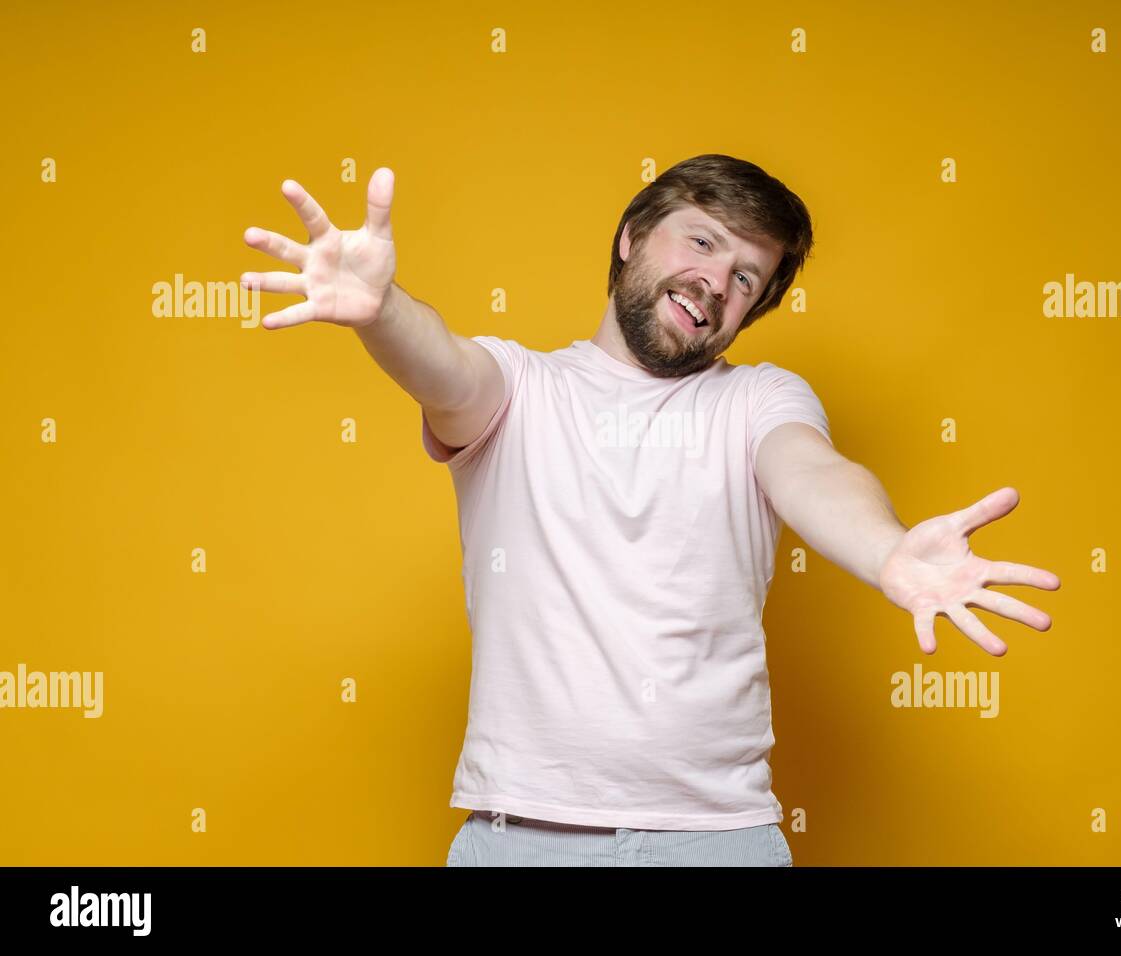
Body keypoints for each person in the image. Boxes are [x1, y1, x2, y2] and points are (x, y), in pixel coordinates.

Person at [241, 154, 1061, 867]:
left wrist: (887, 551)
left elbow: (810, 471)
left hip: (717, 843)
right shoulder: (520, 388)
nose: (715, 280)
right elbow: (446, 369)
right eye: (701, 241)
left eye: (746, 277)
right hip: (523, 839)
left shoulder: (759, 401)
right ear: (631, 235)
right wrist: (382, 311)